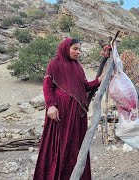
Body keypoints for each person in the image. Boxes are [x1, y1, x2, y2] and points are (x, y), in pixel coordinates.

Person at [33, 38, 103, 180]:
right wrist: (51, 105)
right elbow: (48, 86)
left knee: (75, 146)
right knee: (59, 145)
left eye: (79, 49)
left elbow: (86, 87)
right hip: (61, 112)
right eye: (75, 49)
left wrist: (98, 80)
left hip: (76, 116)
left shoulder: (78, 67)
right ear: (66, 48)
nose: (78, 52)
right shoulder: (55, 64)